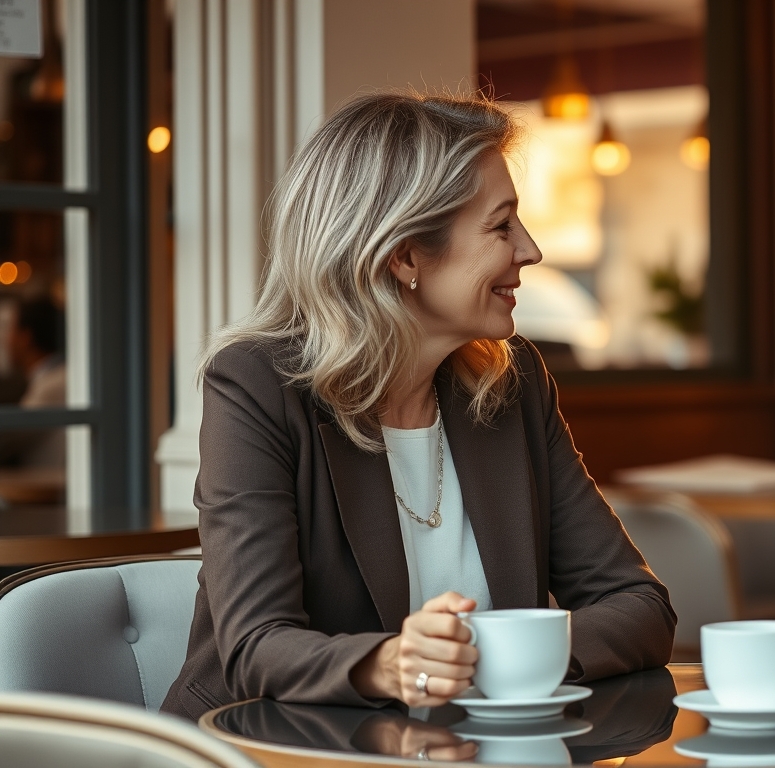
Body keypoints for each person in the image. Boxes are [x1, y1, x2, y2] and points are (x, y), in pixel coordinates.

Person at [162, 93, 676, 723]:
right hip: (265, 751)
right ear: (405, 256)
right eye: (501, 226)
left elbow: (638, 605)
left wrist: (497, 655)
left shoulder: (512, 388)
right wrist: (392, 663)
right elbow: (256, 647)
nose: (531, 250)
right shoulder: (256, 386)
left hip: (467, 752)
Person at [0, 295, 66, 467]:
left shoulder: (53, 385)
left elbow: (8, 436)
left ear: (25, 337)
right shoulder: (50, 379)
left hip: (46, 491)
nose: (6, 341)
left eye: (10, 330)